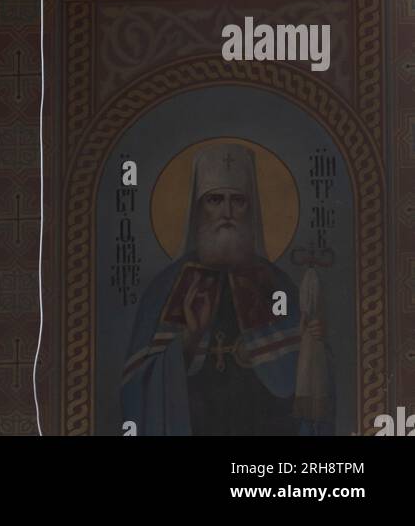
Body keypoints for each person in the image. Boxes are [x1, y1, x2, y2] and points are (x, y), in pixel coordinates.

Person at [120, 143, 331, 436]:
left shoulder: (277, 284)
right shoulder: (165, 288)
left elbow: (305, 384)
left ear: (251, 207)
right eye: (215, 200)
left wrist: (312, 342)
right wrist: (189, 340)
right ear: (198, 209)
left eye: (238, 200)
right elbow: (137, 388)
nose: (227, 212)